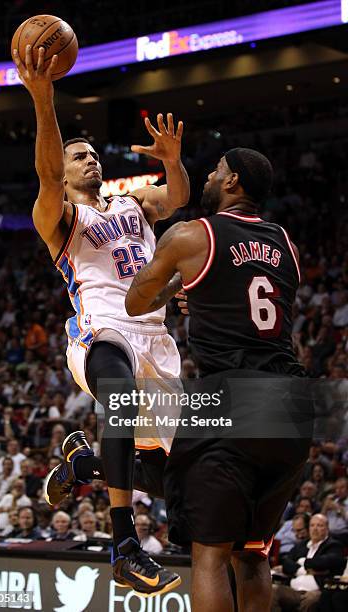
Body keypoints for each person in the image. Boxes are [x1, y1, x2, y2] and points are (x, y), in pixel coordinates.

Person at [12, 44, 189, 596]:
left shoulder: (134, 205)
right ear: (62, 176)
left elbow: (178, 197)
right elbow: (43, 175)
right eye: (78, 157)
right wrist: (44, 101)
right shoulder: (61, 215)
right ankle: (124, 546)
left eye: (93, 154)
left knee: (174, 479)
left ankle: (86, 466)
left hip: (156, 340)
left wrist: (172, 161)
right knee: (118, 394)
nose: (91, 161)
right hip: (101, 332)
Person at [125, 147, 313, 612]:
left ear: (232, 183)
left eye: (216, 171)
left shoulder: (191, 235)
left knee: (209, 555)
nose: (209, 177)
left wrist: (178, 287)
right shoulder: (286, 244)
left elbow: (135, 302)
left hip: (231, 397)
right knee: (252, 556)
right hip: (290, 402)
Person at [271, 514, 345, 611]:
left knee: (311, 600)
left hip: (317, 591)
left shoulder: (333, 545)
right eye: (312, 525)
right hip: (293, 590)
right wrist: (301, 570)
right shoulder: (301, 545)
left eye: (319, 525)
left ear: (326, 528)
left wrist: (303, 562)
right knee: (273, 590)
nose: (315, 529)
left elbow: (325, 562)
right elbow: (286, 562)